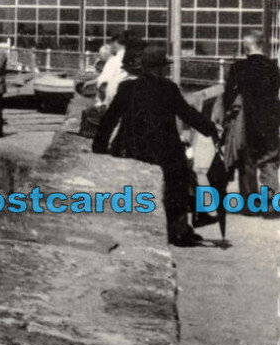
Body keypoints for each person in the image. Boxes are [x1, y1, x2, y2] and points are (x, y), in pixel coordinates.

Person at [93, 45, 219, 246]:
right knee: (180, 177)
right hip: (164, 150)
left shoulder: (127, 88)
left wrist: (98, 146)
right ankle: (179, 229)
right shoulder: (168, 88)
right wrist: (211, 129)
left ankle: (179, 227)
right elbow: (187, 114)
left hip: (133, 148)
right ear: (161, 68)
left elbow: (110, 118)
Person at [223, 32, 279, 203]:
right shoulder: (273, 68)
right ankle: (270, 202)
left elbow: (229, 96)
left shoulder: (238, 68)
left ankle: (250, 204)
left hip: (245, 123)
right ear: (261, 46)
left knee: (247, 162)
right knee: (268, 160)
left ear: (246, 47)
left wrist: (227, 116)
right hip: (269, 121)